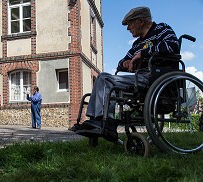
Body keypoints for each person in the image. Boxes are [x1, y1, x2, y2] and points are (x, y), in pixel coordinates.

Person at [71, 6, 179, 142]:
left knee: (105, 80)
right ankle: (97, 121)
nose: (128, 28)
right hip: (139, 78)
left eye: (129, 24)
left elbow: (173, 46)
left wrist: (143, 54)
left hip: (157, 77)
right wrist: (126, 63)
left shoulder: (162, 29)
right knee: (104, 77)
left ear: (140, 21)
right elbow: (121, 63)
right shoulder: (137, 43)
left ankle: (103, 122)